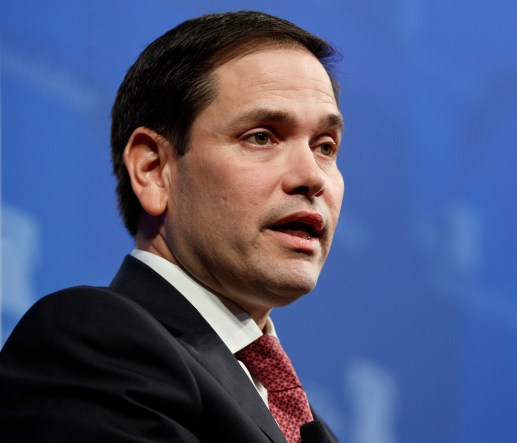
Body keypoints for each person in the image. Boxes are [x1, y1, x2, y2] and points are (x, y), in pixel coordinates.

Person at [0, 11, 344, 443]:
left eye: (325, 146)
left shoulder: (308, 425)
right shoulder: (99, 344)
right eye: (262, 136)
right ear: (153, 170)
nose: (312, 176)